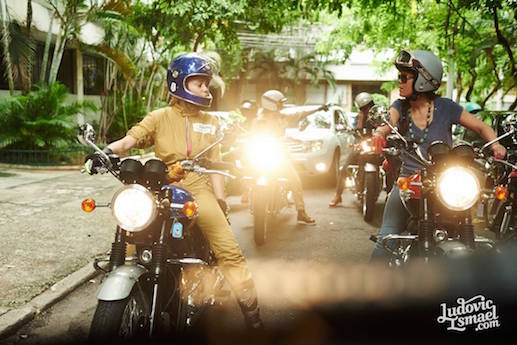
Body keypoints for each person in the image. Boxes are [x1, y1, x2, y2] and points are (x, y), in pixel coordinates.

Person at [86, 53, 264, 330]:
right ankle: (121, 294)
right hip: (163, 185)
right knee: (133, 236)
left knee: (228, 251)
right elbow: (131, 139)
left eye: (207, 84)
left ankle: (252, 313)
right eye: (199, 83)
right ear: (179, 84)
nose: (206, 88)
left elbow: (215, 166)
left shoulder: (212, 122)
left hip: (198, 186)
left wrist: (220, 199)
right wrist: (105, 152)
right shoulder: (160, 116)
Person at [370, 49, 506, 262]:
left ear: (424, 80)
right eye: (399, 76)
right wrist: (379, 133)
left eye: (405, 77)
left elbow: (481, 127)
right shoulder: (399, 107)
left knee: (467, 226)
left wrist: (495, 144)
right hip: (410, 183)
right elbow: (387, 123)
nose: (400, 81)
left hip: (444, 182)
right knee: (385, 240)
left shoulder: (446, 107)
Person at [253, 89, 327, 225]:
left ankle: (301, 212)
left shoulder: (283, 117)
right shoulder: (258, 120)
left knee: (295, 179)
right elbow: (250, 136)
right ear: (271, 104)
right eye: (279, 103)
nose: (281, 105)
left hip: (278, 155)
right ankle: (251, 198)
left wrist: (319, 108)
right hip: (260, 154)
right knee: (249, 173)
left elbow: (301, 113)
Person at [328, 92, 376, 207]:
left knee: (390, 166)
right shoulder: (360, 116)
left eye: (369, 106)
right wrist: (358, 124)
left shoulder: (378, 114)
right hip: (363, 145)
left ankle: (390, 194)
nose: (367, 109)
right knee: (344, 168)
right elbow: (357, 130)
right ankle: (338, 195)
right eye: (364, 108)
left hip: (376, 147)